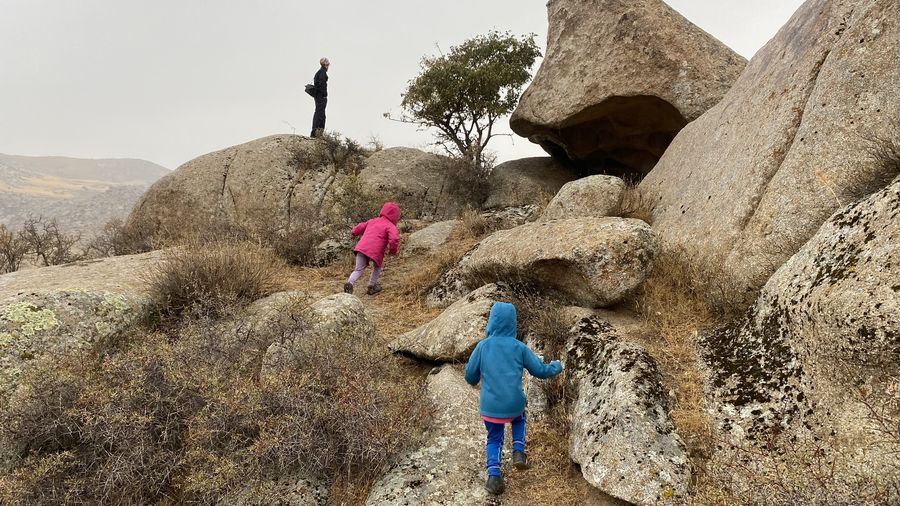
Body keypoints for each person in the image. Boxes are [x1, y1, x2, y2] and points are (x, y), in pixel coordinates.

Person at [464, 302, 563, 496]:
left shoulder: (482, 346)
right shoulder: (519, 347)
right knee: (519, 417)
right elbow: (540, 371)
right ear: (513, 323)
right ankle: (518, 451)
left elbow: (470, 376)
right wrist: (556, 366)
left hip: (490, 406)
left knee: (494, 438)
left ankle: (494, 477)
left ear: (491, 321)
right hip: (514, 403)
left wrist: (478, 377)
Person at [344, 202, 400, 296]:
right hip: (376, 251)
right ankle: (371, 286)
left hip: (362, 247)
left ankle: (350, 283)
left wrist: (353, 232)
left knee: (358, 270)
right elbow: (394, 239)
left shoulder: (372, 221)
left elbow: (359, 227)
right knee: (377, 268)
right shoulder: (390, 226)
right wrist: (392, 251)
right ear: (396, 216)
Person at [311, 57, 329, 137]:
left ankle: (319, 132)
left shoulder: (320, 72)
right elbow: (321, 84)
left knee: (322, 114)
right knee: (319, 114)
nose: (329, 64)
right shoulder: (322, 72)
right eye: (327, 62)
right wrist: (323, 95)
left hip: (319, 96)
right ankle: (315, 132)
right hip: (320, 97)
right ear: (325, 64)